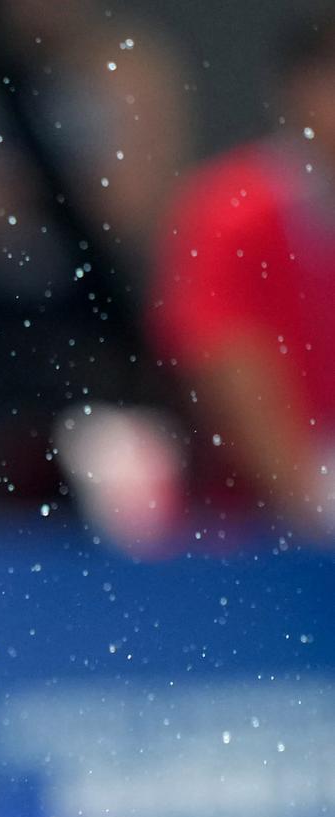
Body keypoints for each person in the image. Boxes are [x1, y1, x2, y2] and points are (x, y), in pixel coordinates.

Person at [150, 7, 335, 536]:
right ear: (300, 92)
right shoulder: (230, 214)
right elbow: (227, 373)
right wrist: (316, 507)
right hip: (251, 535)